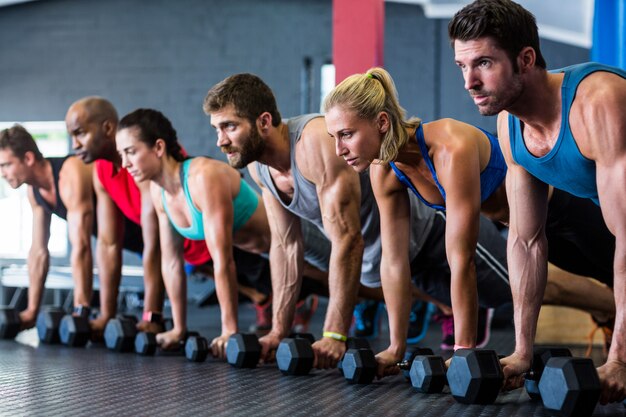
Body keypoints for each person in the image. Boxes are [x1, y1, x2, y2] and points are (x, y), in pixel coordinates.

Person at [203, 73, 506, 370]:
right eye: (217, 128)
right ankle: (458, 311)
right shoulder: (261, 170)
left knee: (527, 289)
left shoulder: (312, 143)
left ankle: (475, 314)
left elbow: (348, 239)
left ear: (264, 121)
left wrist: (335, 333)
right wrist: (277, 332)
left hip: (430, 232)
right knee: (434, 289)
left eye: (229, 126)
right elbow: (285, 245)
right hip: (389, 253)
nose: (220, 141)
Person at [324, 66, 615, 375]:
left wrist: (464, 351)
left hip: (567, 209)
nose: (339, 150)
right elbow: (394, 263)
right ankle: (612, 318)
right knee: (603, 280)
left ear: (381, 122)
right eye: (334, 137)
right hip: (529, 230)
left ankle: (612, 321)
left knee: (614, 272)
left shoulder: (450, 147)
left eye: (346, 134)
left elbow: (462, 259)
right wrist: (396, 348)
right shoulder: (385, 171)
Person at [448, 0, 626, 404]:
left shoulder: (598, 103)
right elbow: (526, 241)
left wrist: (618, 361)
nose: (469, 82)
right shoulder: (510, 127)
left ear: (525, 59)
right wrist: (522, 352)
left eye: (484, 64)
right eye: (463, 66)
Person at [114, 108, 329, 357]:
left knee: (360, 283)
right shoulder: (158, 193)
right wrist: (179, 329)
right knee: (337, 286)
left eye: (130, 152)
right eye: (121, 154)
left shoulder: (203, 177)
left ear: (158, 148)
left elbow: (223, 261)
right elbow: (172, 263)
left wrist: (229, 331)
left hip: (295, 237)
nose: (124, 163)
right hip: (267, 255)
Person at [65, 97, 211, 335]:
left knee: (261, 287)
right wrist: (105, 316)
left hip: (216, 242)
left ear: (108, 128)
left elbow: (154, 245)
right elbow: (108, 243)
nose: (75, 144)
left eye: (80, 133)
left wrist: (152, 316)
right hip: (184, 252)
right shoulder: (101, 170)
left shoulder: (143, 159)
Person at [0, 124, 144, 332]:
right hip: (129, 241)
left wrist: (81, 311)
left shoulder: (70, 172)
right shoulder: (35, 192)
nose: (2, 173)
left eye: (6, 165)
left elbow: (82, 245)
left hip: (143, 228)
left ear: (28, 159)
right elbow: (38, 252)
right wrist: (31, 310)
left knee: (202, 263)